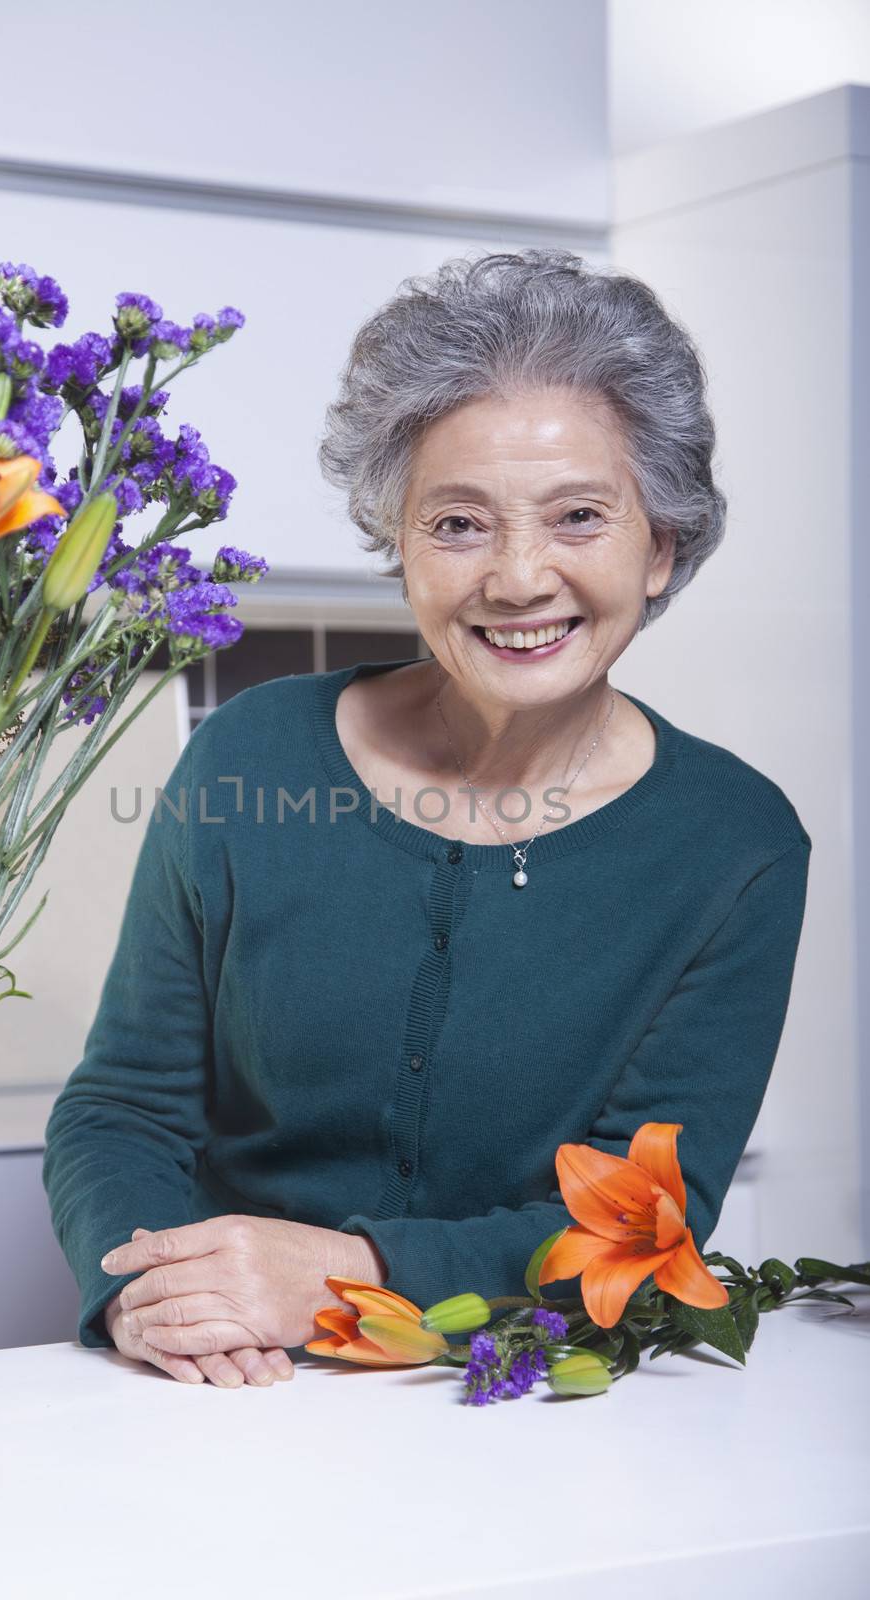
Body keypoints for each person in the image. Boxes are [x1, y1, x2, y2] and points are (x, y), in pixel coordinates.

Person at [43, 248, 811, 1390]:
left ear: (658, 548)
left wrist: (345, 1273)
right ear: (394, 543)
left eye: (577, 517)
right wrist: (155, 1294)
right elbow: (120, 1107)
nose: (515, 577)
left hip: (534, 1412)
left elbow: (641, 1226)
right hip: (225, 1393)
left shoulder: (733, 842)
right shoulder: (248, 756)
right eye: (456, 523)